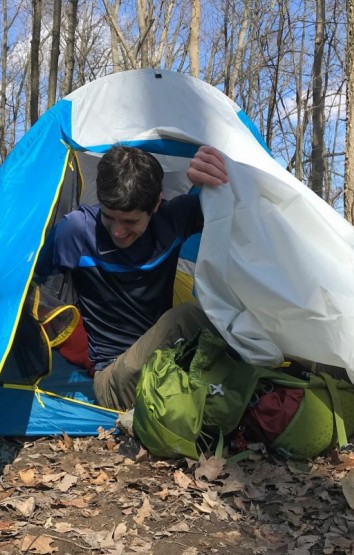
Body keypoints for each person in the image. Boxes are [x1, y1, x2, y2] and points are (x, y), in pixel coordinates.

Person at [34, 145, 228, 415]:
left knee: (227, 315)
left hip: (165, 361)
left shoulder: (174, 219)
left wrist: (212, 183)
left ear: (156, 204)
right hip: (113, 379)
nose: (118, 231)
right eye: (108, 216)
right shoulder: (77, 231)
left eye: (130, 221)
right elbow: (31, 288)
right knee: (186, 317)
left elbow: (236, 213)